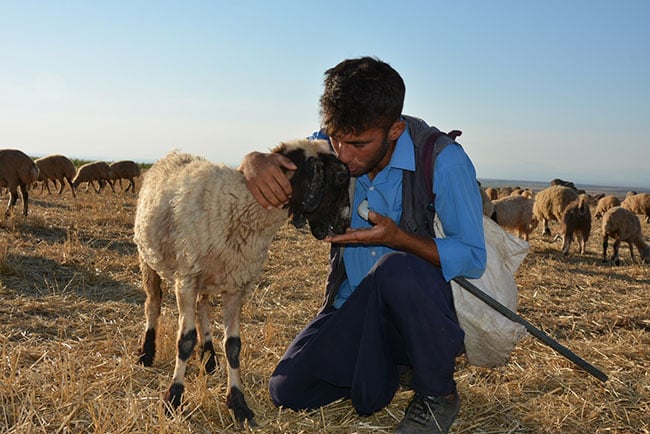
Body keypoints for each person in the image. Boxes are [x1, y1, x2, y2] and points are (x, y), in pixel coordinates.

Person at [239, 56, 486, 434]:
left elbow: (472, 257)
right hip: (353, 304)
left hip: (421, 313)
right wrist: (253, 161)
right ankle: (396, 367)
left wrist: (398, 239)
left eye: (358, 143)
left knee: (396, 269)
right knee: (287, 390)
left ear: (395, 130)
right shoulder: (330, 145)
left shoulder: (443, 161)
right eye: (336, 138)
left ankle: (437, 395)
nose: (344, 154)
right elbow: (280, 158)